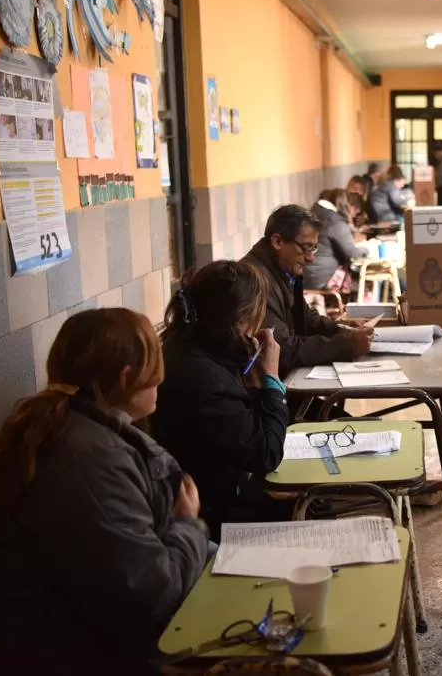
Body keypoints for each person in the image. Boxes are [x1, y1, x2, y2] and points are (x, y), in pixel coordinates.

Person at [0, 309, 208, 675]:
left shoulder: (60, 431)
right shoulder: (92, 459)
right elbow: (151, 597)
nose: (160, 383)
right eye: (156, 371)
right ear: (126, 378)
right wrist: (187, 524)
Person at [151, 260, 288, 540]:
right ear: (240, 320)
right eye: (257, 315)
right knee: (313, 510)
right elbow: (266, 454)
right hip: (211, 517)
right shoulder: (204, 377)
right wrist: (271, 380)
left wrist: (250, 373)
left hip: (215, 493)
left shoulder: (186, 343)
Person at [241, 205, 372, 379]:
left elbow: (305, 317)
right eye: (306, 247)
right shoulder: (253, 281)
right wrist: (346, 345)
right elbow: (280, 348)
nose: (311, 258)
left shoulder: (283, 270)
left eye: (314, 248)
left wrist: (343, 329)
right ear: (277, 241)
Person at [305, 189, 370, 293]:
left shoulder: (314, 212)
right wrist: (366, 249)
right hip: (323, 277)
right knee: (366, 286)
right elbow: (352, 253)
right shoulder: (334, 221)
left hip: (306, 275)